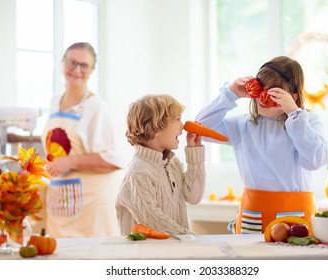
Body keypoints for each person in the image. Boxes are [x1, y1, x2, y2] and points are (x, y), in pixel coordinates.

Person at [195, 56, 328, 234]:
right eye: (260, 89)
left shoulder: (306, 121)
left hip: (296, 217)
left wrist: (295, 114)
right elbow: (201, 127)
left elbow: (315, 161)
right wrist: (230, 94)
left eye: (274, 93)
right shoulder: (244, 124)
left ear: (293, 96)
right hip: (254, 216)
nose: (262, 97)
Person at [41, 42, 122, 238]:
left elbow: (113, 160)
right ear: (62, 64)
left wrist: (69, 162)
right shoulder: (54, 102)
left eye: (84, 65)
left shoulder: (96, 106)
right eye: (71, 62)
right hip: (60, 202)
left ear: (92, 70)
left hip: (91, 207)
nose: (76, 70)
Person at [115, 94, 205, 235]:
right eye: (177, 119)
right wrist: (190, 238)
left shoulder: (172, 163)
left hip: (172, 249)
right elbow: (152, 220)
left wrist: (195, 153)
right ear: (155, 128)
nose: (183, 126)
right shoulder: (138, 170)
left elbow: (194, 197)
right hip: (145, 254)